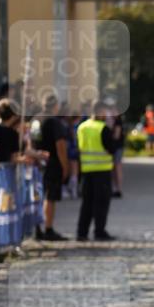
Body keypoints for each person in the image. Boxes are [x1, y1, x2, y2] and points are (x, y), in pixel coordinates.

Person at [76, 99, 121, 241]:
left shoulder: (82, 127)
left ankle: (81, 233)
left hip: (86, 170)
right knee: (101, 203)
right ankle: (99, 231)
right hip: (102, 170)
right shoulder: (102, 128)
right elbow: (112, 148)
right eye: (104, 111)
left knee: (87, 203)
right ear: (100, 111)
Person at [40, 95, 70, 241]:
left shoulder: (37, 119)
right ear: (55, 106)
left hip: (38, 162)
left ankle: (39, 228)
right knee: (50, 197)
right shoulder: (55, 122)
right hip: (52, 163)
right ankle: (48, 228)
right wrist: (65, 166)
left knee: (38, 197)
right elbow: (60, 146)